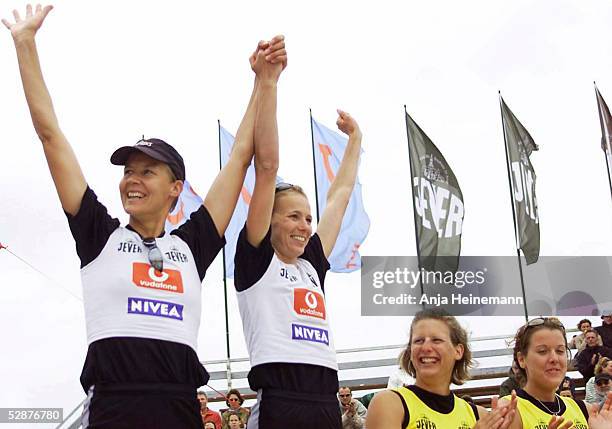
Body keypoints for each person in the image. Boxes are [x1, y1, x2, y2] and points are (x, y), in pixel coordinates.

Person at [2, 5, 286, 428]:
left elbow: (241, 157)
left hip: (179, 408)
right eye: (128, 171)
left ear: (175, 188)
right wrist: (25, 44)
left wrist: (263, 82)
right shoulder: (99, 235)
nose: (132, 180)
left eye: (146, 171)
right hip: (113, 408)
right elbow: (50, 136)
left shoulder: (192, 246)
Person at [232, 38, 363, 428]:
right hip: (279, 403)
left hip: (325, 401)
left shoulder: (311, 267)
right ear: (269, 219)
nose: (306, 227)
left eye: (307, 218)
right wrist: (269, 84)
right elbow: (267, 166)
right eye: (294, 216)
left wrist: (355, 141)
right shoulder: (256, 258)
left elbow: (339, 196)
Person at [366, 309, 517, 429]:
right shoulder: (389, 403)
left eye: (436, 340)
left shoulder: (479, 415)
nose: (426, 347)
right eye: (418, 341)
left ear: (458, 351)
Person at [502, 317, 612, 429]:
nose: (554, 358)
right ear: (521, 359)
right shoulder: (509, 410)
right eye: (542, 351)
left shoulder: (586, 410)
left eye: (560, 351)